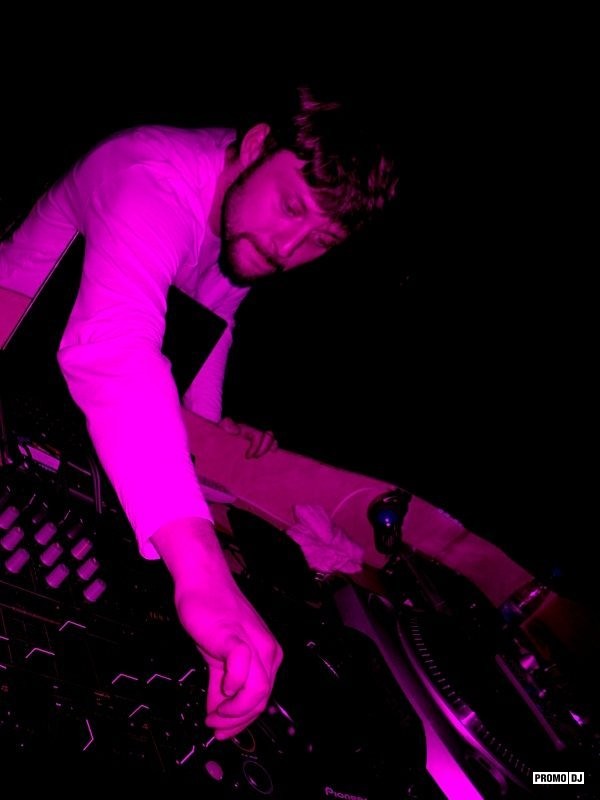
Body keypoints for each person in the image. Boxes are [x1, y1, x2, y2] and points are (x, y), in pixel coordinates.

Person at [0, 84, 399, 740]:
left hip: (71, 424)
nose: (288, 249)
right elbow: (116, 349)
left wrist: (207, 436)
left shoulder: (245, 226)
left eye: (320, 238)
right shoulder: (147, 176)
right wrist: (203, 574)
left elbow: (207, 327)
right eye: (292, 206)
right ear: (256, 144)